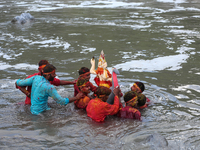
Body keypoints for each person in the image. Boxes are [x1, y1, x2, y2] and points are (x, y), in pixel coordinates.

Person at [15, 64, 84, 115]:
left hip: (33, 110)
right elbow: (61, 101)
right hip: (41, 114)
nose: (55, 75)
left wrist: (17, 82)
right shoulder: (49, 87)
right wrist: (76, 97)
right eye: (53, 74)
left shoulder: (35, 78)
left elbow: (19, 83)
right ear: (48, 75)